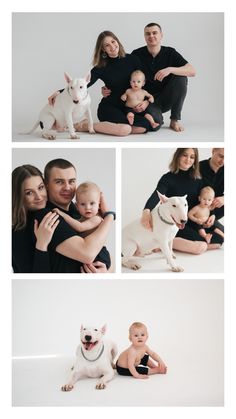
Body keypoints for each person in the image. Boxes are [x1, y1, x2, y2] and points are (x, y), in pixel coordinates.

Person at [49, 31, 159, 136]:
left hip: (128, 108)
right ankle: (85, 125)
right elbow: (82, 85)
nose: (112, 46)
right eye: (107, 45)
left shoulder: (133, 59)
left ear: (117, 41)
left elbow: (144, 83)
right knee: (125, 129)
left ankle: (91, 125)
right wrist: (59, 92)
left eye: (113, 42)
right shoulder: (100, 67)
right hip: (109, 107)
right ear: (103, 49)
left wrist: (146, 102)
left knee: (145, 126)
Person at [12, 160, 115, 273]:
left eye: (71, 181)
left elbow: (101, 250)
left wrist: (107, 272)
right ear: (47, 185)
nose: (67, 187)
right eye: (59, 182)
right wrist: (109, 216)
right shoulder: (47, 216)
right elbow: (88, 254)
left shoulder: (77, 211)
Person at [141, 148, 224, 255]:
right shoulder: (168, 178)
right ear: (178, 156)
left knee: (219, 240)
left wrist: (211, 215)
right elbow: (156, 195)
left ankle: (165, 242)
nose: (188, 160)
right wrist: (146, 211)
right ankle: (163, 243)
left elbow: (205, 199)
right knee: (201, 245)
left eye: (192, 157)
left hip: (194, 220)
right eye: (185, 155)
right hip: (177, 222)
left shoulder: (197, 177)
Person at [130, 22, 196, 132]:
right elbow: (125, 77)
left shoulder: (170, 52)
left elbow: (192, 71)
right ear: (144, 37)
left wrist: (170, 69)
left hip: (167, 98)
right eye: (148, 34)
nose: (151, 36)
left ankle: (174, 120)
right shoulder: (136, 54)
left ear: (161, 35)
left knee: (181, 77)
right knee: (155, 125)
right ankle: (147, 115)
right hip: (147, 101)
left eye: (154, 33)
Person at [12, 165, 60, 273]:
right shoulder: (16, 234)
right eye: (29, 193)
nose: (39, 196)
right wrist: (41, 244)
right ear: (18, 196)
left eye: (40, 187)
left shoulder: (52, 211)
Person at [199, 148, 224, 223]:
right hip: (197, 211)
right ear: (213, 151)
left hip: (214, 214)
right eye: (221, 156)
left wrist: (224, 198)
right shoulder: (198, 168)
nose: (223, 161)